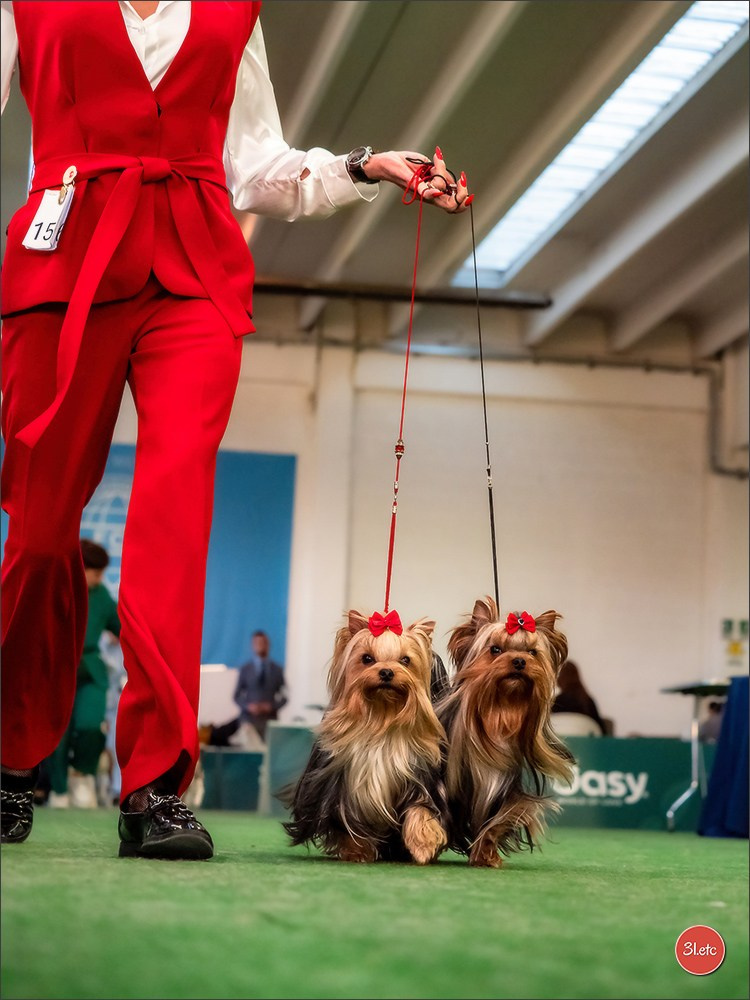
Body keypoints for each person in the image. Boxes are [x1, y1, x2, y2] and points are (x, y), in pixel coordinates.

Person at [0, 1, 472, 860]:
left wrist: (367, 166)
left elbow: (258, 165)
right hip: (62, 264)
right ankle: (5, 756)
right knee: (36, 535)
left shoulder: (230, 10)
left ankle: (154, 786)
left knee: (172, 526)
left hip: (192, 274)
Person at [46, 540, 122, 809]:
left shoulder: (101, 596)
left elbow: (121, 625)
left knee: (92, 726)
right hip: (56, 670)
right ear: (81, 568)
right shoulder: (55, 588)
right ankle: (58, 788)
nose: (100, 579)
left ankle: (81, 776)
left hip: (91, 670)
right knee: (57, 734)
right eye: (96, 572)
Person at [233, 631, 288, 741]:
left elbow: (284, 695)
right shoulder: (245, 670)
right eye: (257, 643)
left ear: (268, 645)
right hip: (249, 721)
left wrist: (271, 706)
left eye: (263, 643)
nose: (260, 645)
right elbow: (236, 695)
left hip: (269, 722)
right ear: (253, 645)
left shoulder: (277, 670)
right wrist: (248, 706)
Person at [551, 660, 607, 736]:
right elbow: (602, 732)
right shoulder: (588, 701)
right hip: (586, 747)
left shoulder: (556, 702)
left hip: (558, 747)